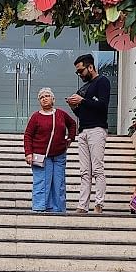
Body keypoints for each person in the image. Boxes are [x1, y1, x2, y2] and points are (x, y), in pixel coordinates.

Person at [66, 53, 111, 213]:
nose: (79, 74)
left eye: (81, 71)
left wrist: (82, 101)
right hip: (83, 130)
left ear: (90, 67)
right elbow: (82, 114)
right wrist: (74, 107)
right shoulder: (83, 88)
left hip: (97, 129)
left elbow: (103, 106)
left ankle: (99, 204)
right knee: (85, 171)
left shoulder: (102, 81)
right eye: (77, 72)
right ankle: (82, 205)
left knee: (97, 168)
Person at [23, 87, 78, 213]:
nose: (44, 99)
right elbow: (28, 135)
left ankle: (58, 209)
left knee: (58, 184)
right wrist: (28, 153)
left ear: (53, 98)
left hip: (59, 155)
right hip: (41, 156)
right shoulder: (36, 117)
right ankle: (39, 208)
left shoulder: (60, 114)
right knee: (41, 183)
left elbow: (72, 124)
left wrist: (70, 139)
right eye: (41, 97)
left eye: (47, 96)